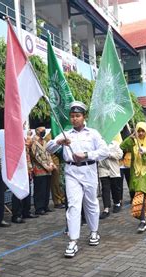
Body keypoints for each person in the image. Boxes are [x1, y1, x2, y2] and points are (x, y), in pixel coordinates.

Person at [46, 101, 108, 258]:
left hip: (89, 170)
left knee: (91, 202)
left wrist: (86, 155)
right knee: (73, 205)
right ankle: (73, 241)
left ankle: (94, 232)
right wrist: (59, 142)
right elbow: (48, 148)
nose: (74, 119)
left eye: (78, 116)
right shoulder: (66, 133)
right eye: (72, 116)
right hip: (72, 171)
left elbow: (104, 151)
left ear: (84, 117)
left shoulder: (93, 133)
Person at [120, 122, 146, 233]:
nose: (141, 133)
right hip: (137, 175)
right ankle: (142, 220)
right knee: (139, 198)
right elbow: (122, 146)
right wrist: (131, 137)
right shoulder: (133, 143)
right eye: (139, 131)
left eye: (143, 131)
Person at [11, 130, 38, 223]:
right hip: (18, 168)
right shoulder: (13, 136)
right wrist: (28, 140)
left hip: (26, 166)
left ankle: (26, 211)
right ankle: (16, 215)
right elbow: (18, 150)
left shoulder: (23, 137)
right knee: (17, 191)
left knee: (27, 189)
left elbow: (28, 152)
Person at [31, 125, 56, 215]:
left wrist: (51, 163)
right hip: (39, 168)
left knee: (46, 188)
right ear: (37, 131)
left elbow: (48, 153)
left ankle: (45, 206)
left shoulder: (44, 141)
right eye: (42, 130)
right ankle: (39, 208)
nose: (44, 131)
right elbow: (35, 156)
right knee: (39, 189)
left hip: (47, 169)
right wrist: (46, 166)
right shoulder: (34, 141)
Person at [98, 138, 123, 219]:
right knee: (105, 189)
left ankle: (117, 203)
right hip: (103, 169)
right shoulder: (98, 144)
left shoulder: (114, 144)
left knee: (115, 187)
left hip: (113, 169)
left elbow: (120, 155)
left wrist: (109, 154)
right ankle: (106, 208)